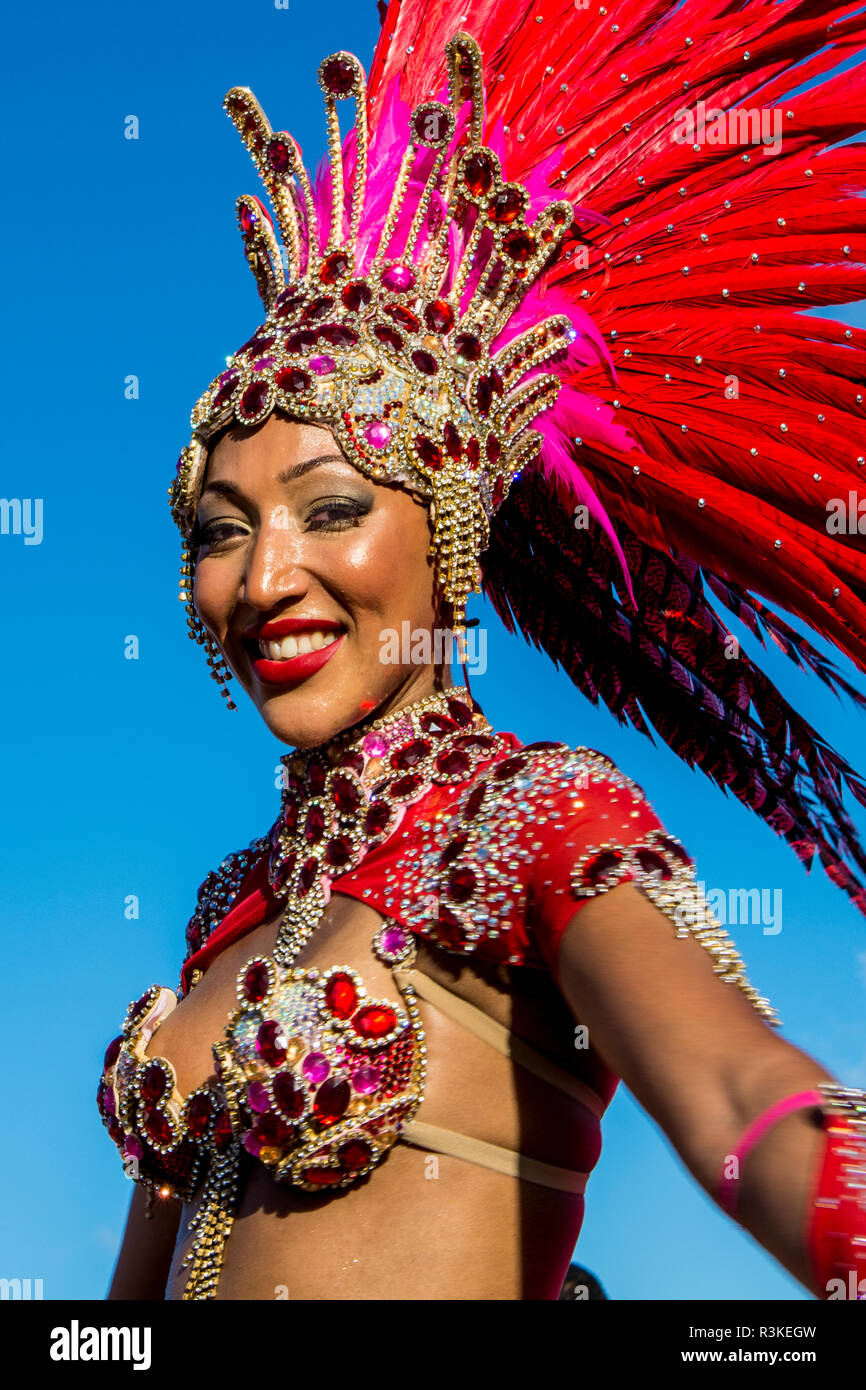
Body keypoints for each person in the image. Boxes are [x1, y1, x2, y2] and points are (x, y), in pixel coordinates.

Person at [99, 6, 866, 1301]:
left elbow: (740, 1091)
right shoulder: (227, 901)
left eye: (332, 509)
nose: (265, 575)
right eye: (223, 530)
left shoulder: (526, 820)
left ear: (449, 526)